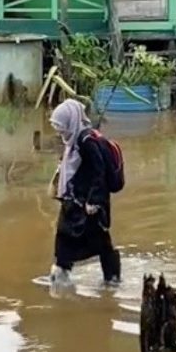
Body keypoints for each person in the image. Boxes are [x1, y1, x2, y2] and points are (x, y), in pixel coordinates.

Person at [48, 99, 121, 286]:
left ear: (71, 122)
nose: (59, 132)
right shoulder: (73, 141)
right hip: (75, 201)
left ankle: (112, 281)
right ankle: (61, 271)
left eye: (61, 127)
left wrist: (94, 201)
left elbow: (100, 171)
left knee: (100, 240)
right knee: (64, 234)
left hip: (89, 203)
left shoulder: (86, 141)